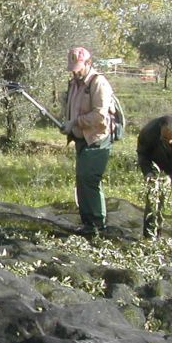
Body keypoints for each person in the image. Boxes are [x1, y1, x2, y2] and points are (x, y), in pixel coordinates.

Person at [60, 46, 116, 235]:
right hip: (81, 139)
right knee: (82, 180)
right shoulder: (74, 83)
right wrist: (68, 124)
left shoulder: (98, 83)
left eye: (78, 68)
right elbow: (73, 108)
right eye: (72, 69)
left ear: (89, 63)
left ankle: (98, 224)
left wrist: (75, 122)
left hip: (97, 139)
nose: (75, 72)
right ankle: (88, 223)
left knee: (89, 179)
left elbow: (99, 116)